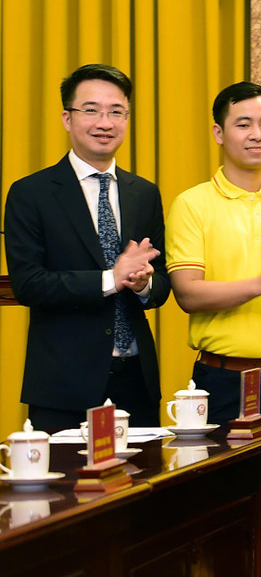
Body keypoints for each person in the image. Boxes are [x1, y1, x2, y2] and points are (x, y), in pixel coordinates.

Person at [166, 81, 261, 577]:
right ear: (218, 132)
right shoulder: (192, 204)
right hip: (223, 382)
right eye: (244, 124)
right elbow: (188, 293)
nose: (258, 134)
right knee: (224, 517)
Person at [4, 64, 167, 433]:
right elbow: (29, 284)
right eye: (90, 110)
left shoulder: (144, 193)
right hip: (64, 387)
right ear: (67, 118)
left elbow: (162, 286)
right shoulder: (31, 193)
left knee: (144, 488)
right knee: (66, 491)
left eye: (116, 112)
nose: (104, 122)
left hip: (136, 383)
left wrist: (142, 284)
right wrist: (112, 278)